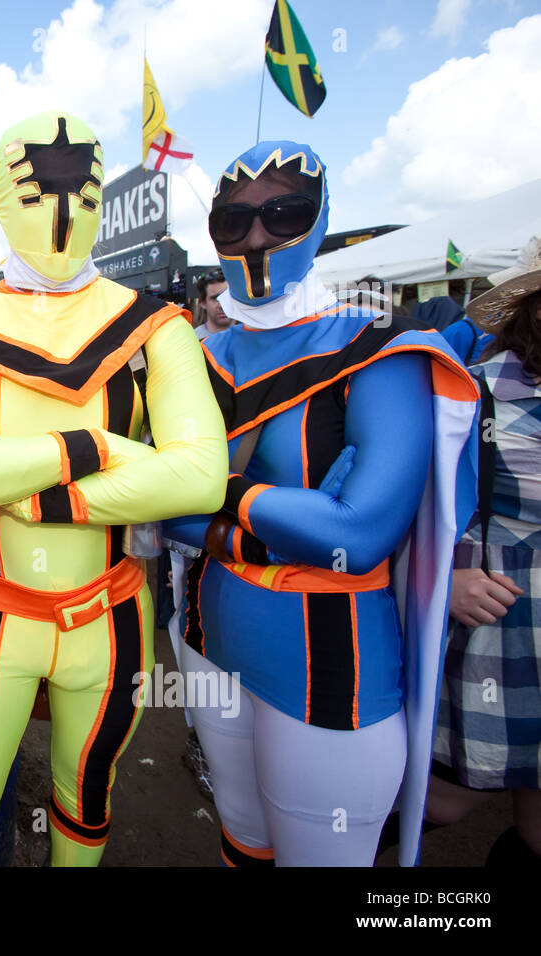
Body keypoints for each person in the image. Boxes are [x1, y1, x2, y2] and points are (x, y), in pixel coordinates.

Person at [0, 111, 227, 867]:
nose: (61, 210)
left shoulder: (153, 325)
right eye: (38, 189)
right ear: (2, 194)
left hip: (109, 616)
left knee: (86, 806)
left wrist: (23, 487)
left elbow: (201, 479)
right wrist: (97, 448)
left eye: (81, 189)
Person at [164, 141, 478, 867]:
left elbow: (360, 536)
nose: (257, 236)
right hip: (211, 642)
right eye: (232, 221)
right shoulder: (200, 357)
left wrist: (220, 494)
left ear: (321, 219)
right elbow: (159, 510)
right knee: (241, 844)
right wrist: (292, 514)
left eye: (284, 212)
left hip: (333, 667)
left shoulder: (380, 351)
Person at [427, 241, 541, 865]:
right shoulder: (472, 396)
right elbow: (407, 516)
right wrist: (447, 578)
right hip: (501, 633)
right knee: (444, 799)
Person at [192, 271, 230, 341]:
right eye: (215, 298)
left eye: (227, 298)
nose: (222, 306)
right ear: (203, 303)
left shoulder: (250, 337)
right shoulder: (192, 341)